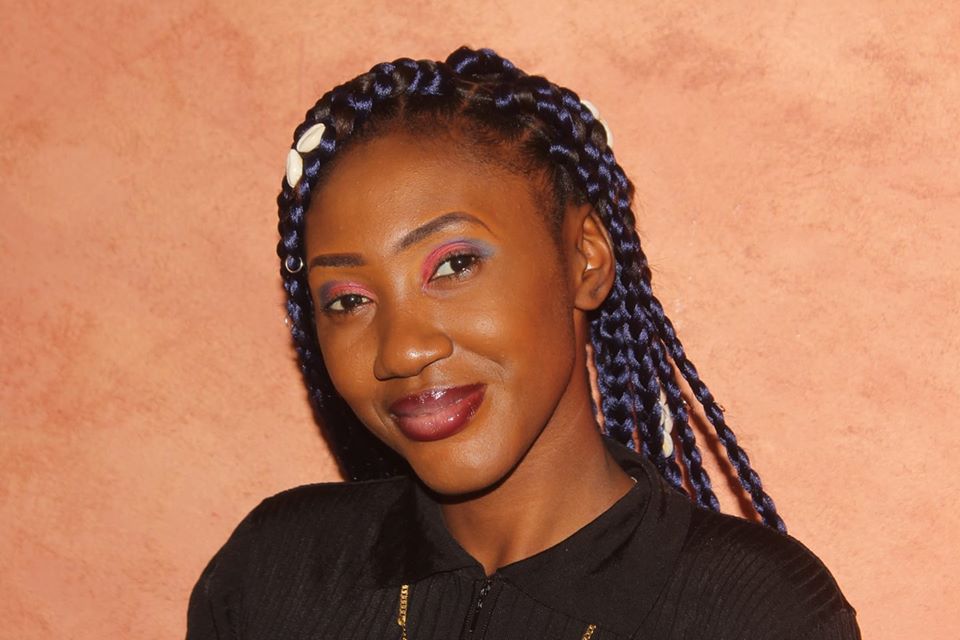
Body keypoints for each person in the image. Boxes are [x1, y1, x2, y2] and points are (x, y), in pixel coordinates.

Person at [186, 47, 860, 639]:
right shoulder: (273, 573)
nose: (402, 350)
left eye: (454, 266)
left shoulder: (757, 615)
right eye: (348, 300)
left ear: (586, 258)